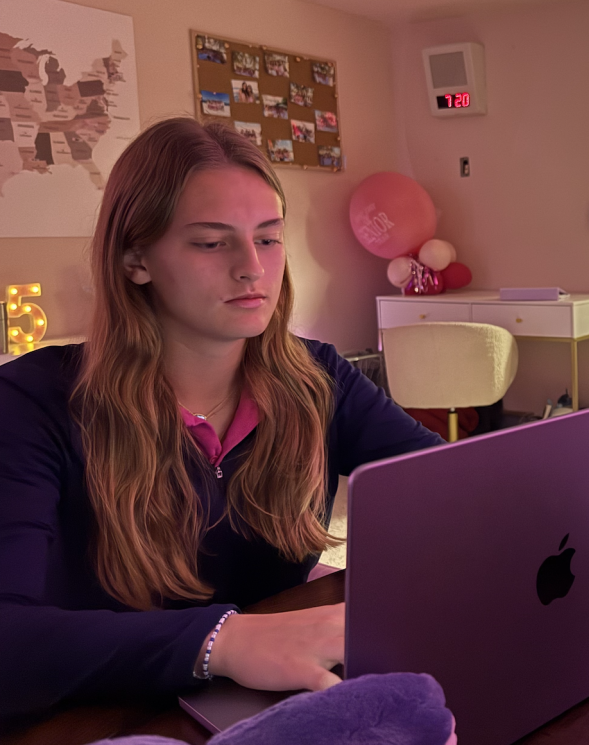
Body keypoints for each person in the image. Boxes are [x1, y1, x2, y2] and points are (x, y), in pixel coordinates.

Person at [0, 118, 443, 719]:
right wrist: (221, 642)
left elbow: (452, 490)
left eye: (268, 238)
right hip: (110, 714)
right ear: (136, 260)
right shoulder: (33, 401)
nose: (253, 269)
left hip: (274, 701)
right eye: (212, 243)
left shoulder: (319, 377)